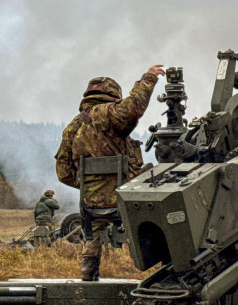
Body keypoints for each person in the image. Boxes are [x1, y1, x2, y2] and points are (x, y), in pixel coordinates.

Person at [55, 65, 165, 281]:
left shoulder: (72, 128)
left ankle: (89, 268)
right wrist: (149, 78)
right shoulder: (109, 114)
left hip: (91, 205)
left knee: (93, 230)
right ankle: (166, 268)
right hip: (125, 198)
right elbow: (133, 107)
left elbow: (63, 172)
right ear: (113, 95)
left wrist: (90, 185)